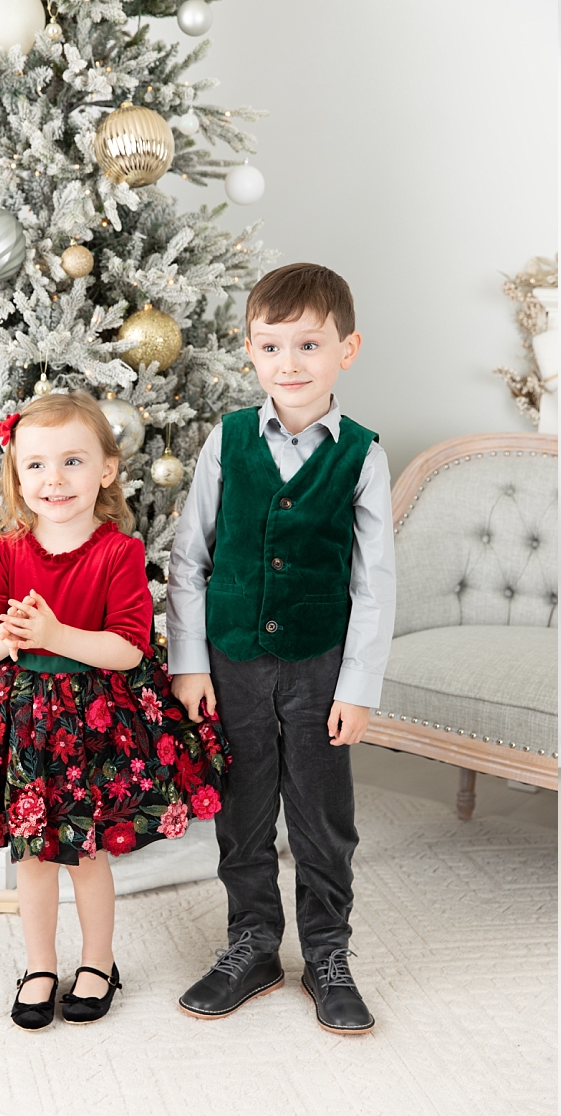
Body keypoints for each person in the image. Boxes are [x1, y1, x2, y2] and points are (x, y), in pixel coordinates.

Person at [0, 391, 229, 1031]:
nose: (54, 480)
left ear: (106, 468)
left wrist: (54, 635)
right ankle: (40, 964)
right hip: (19, 724)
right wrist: (10, 637)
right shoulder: (6, 548)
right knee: (32, 856)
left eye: (73, 461)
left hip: (93, 724)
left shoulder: (117, 552)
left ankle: (99, 962)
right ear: (16, 476)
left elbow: (129, 649)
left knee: (86, 853)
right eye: (36, 466)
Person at [166, 262, 395, 1034]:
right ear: (250, 352)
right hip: (230, 663)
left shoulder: (360, 454)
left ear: (347, 348)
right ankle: (253, 943)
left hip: (319, 668)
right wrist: (189, 662)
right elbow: (188, 557)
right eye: (272, 346)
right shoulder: (227, 441)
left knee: (322, 814)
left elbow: (375, 581)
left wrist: (357, 685)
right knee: (243, 808)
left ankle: (328, 950)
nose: (289, 363)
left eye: (308, 344)